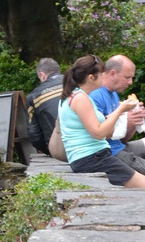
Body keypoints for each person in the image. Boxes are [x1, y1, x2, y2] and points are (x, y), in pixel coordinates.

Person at [58, 54, 145, 187]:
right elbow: (98, 134)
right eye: (102, 73)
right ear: (91, 77)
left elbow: (107, 133)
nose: (105, 76)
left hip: (96, 156)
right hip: (92, 158)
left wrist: (124, 116)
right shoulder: (80, 98)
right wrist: (120, 110)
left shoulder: (79, 96)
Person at [89, 54, 145, 173]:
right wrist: (125, 118)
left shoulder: (113, 94)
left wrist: (133, 122)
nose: (130, 82)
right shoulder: (95, 95)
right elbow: (98, 135)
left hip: (119, 146)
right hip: (108, 153)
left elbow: (122, 139)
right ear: (112, 73)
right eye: (127, 77)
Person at [27, 57, 63, 155]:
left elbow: (35, 135)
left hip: (59, 149)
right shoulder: (76, 83)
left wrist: (49, 150)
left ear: (42, 75)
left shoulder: (34, 96)